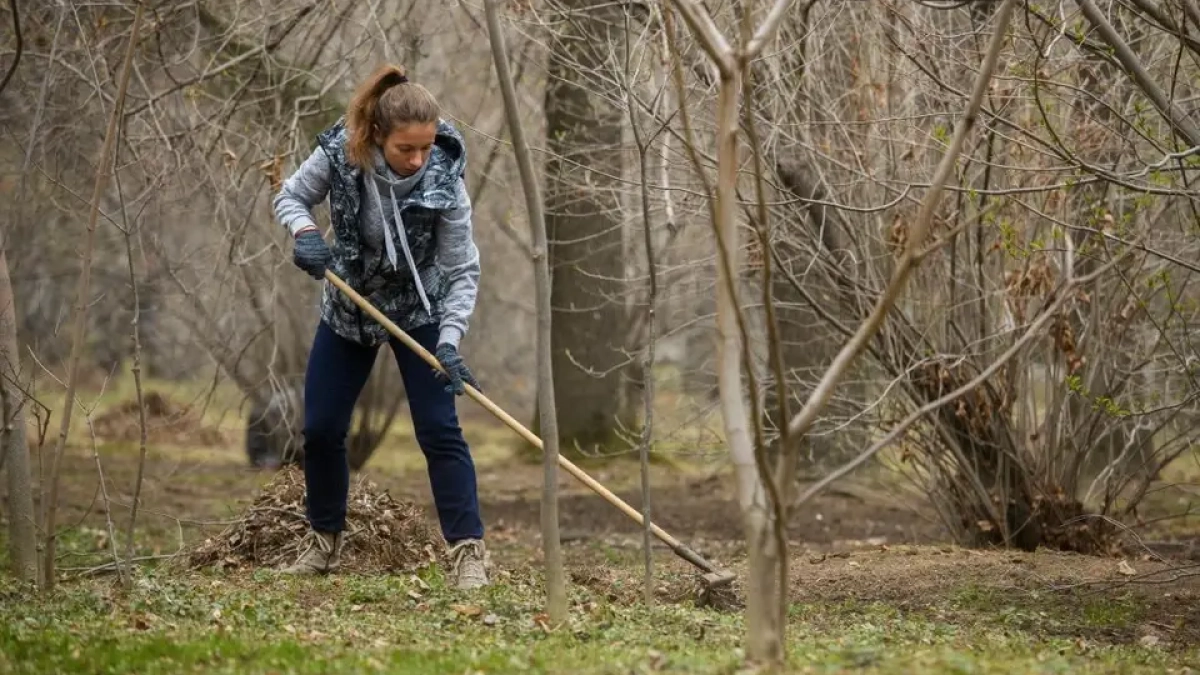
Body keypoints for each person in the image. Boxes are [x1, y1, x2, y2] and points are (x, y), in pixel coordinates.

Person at [271, 64, 488, 589]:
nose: (418, 159)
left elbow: (462, 271)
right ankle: (324, 541)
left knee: (439, 430)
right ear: (375, 138)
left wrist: (452, 341)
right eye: (405, 149)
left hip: (421, 311)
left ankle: (468, 553)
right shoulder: (340, 156)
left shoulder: (445, 178)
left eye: (426, 147)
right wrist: (303, 233)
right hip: (350, 307)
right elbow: (289, 195)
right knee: (321, 429)